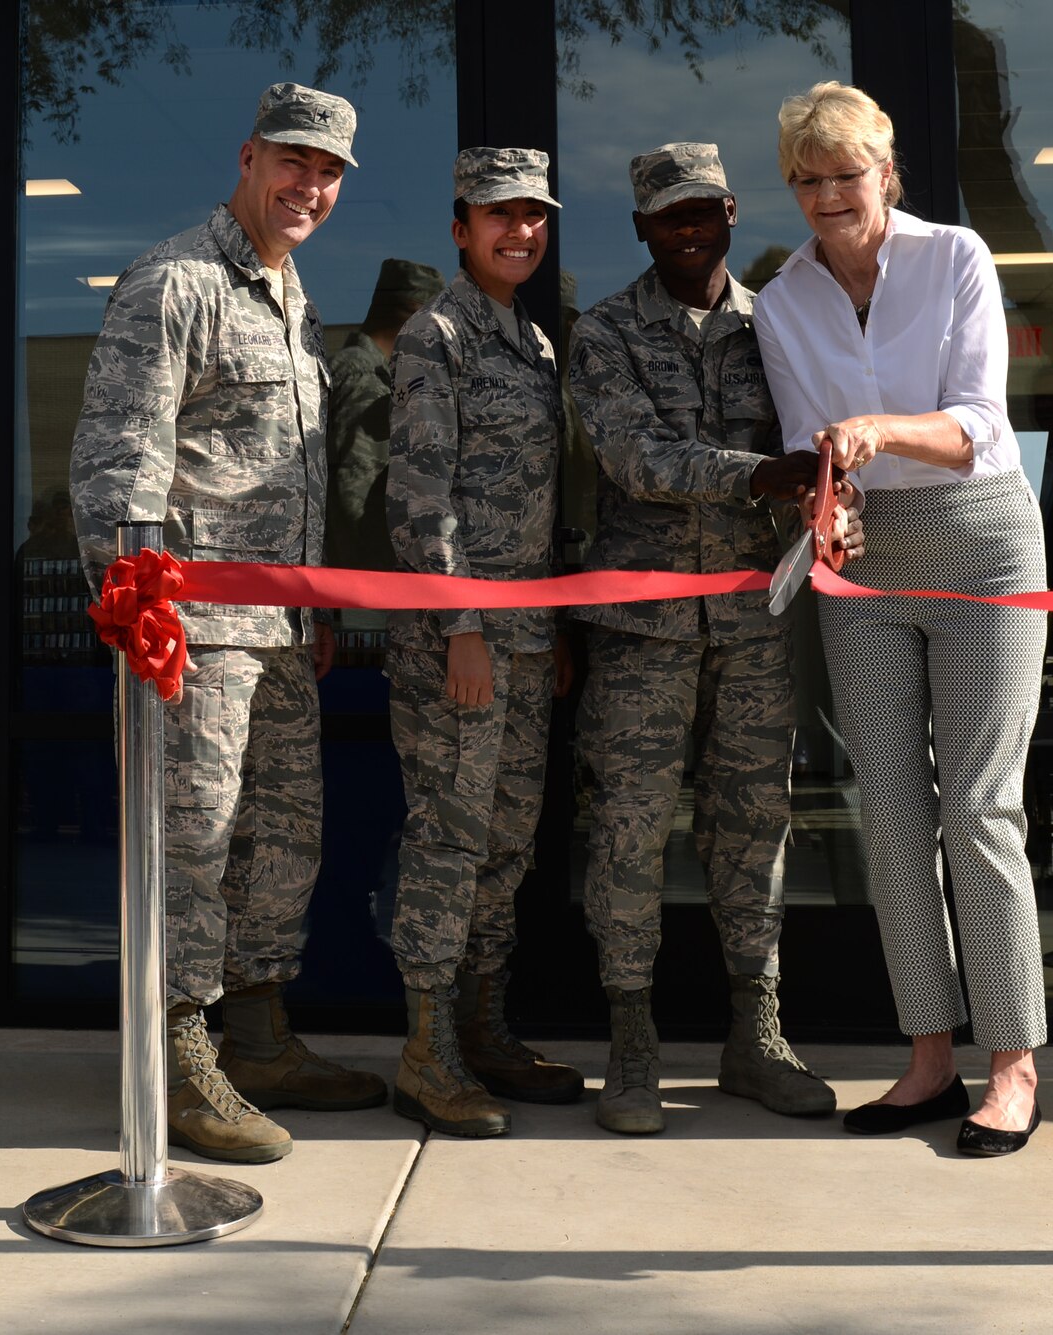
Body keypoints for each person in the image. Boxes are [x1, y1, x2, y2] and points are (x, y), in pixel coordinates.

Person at [68, 81, 385, 1166]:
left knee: (282, 842)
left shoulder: (289, 295)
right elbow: (120, 454)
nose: (311, 185)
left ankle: (257, 1034)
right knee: (190, 844)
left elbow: (285, 475)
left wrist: (314, 599)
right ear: (248, 157)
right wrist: (133, 603)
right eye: (294, 161)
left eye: (331, 171)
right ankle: (181, 1055)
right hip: (192, 634)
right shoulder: (178, 282)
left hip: (279, 631)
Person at [753, 81, 1050, 1156]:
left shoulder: (956, 258)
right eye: (807, 178)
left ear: (885, 172)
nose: (829, 194)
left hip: (978, 542)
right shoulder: (779, 299)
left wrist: (878, 427)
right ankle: (928, 1058)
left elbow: (977, 422)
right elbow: (805, 437)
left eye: (847, 173)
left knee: (976, 809)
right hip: (866, 558)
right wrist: (819, 509)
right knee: (887, 815)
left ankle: (1010, 1063)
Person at [568, 141, 856, 1135]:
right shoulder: (602, 331)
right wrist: (757, 474)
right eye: (665, 217)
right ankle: (633, 1039)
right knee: (630, 833)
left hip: (750, 628)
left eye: (700, 211)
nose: (685, 229)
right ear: (642, 229)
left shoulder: (775, 324)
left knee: (753, 828)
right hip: (642, 634)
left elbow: (824, 430)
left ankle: (754, 1029)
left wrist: (822, 481)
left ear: (730, 212)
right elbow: (631, 457)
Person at [385, 146, 581, 1137]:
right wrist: (462, 624)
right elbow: (419, 497)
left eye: (533, 216)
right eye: (498, 216)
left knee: (504, 846)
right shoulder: (437, 336)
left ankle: (483, 1029)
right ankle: (425, 1052)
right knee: (449, 841)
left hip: (529, 640)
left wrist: (547, 635)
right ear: (460, 228)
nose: (520, 232)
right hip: (455, 647)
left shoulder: (535, 345)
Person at [326, 257, 444, 572]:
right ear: (413, 316)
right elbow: (356, 489)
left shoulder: (362, 370)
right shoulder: (366, 378)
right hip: (366, 591)